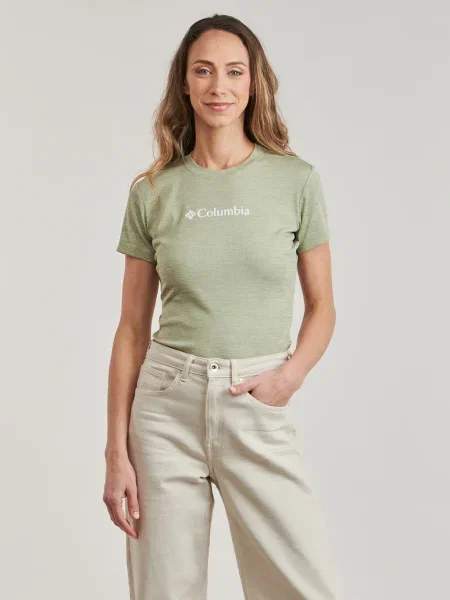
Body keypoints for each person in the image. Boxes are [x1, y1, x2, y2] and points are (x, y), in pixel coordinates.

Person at [104, 13, 339, 600]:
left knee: (302, 587)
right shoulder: (153, 191)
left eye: (234, 72)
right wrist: (115, 453)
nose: (219, 86)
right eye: (203, 71)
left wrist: (288, 378)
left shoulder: (295, 181)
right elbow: (131, 330)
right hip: (165, 408)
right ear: (184, 83)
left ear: (253, 83)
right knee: (166, 590)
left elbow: (323, 307)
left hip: (254, 400)